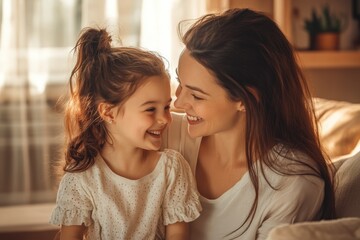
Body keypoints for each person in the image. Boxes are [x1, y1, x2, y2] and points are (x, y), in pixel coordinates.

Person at [161, 8, 336, 240]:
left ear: (246, 100)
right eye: (180, 83)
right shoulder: (163, 135)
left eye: (197, 96)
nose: (179, 102)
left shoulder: (292, 185)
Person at [49, 27, 201, 240]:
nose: (165, 119)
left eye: (167, 107)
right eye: (150, 109)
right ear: (108, 112)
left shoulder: (172, 169)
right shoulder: (83, 178)